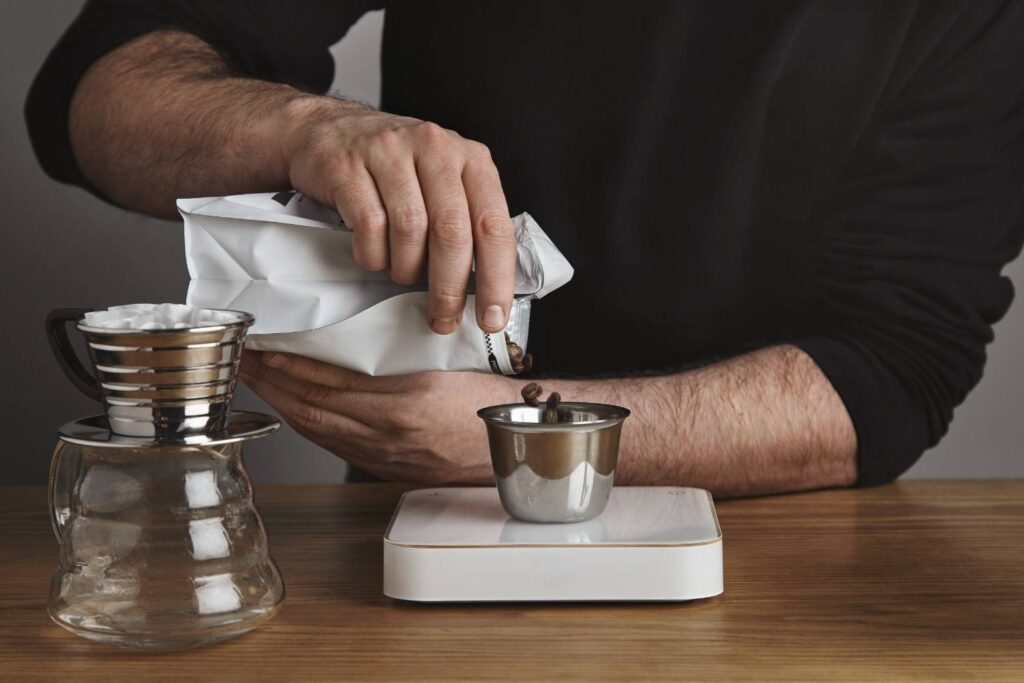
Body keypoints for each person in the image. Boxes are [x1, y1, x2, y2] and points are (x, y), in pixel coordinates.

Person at [26, 1, 1024, 495]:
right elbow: (96, 95)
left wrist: (521, 436)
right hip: (425, 526)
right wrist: (303, 127)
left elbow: (896, 370)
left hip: (780, 539)